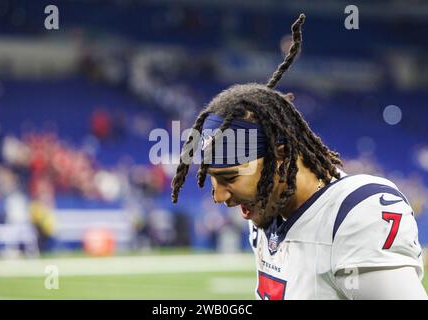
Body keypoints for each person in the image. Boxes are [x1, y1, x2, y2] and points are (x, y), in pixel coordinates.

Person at [170, 14, 426, 299]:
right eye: (214, 179)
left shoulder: (357, 212)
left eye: (229, 177)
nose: (218, 197)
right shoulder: (269, 212)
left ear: (281, 155)